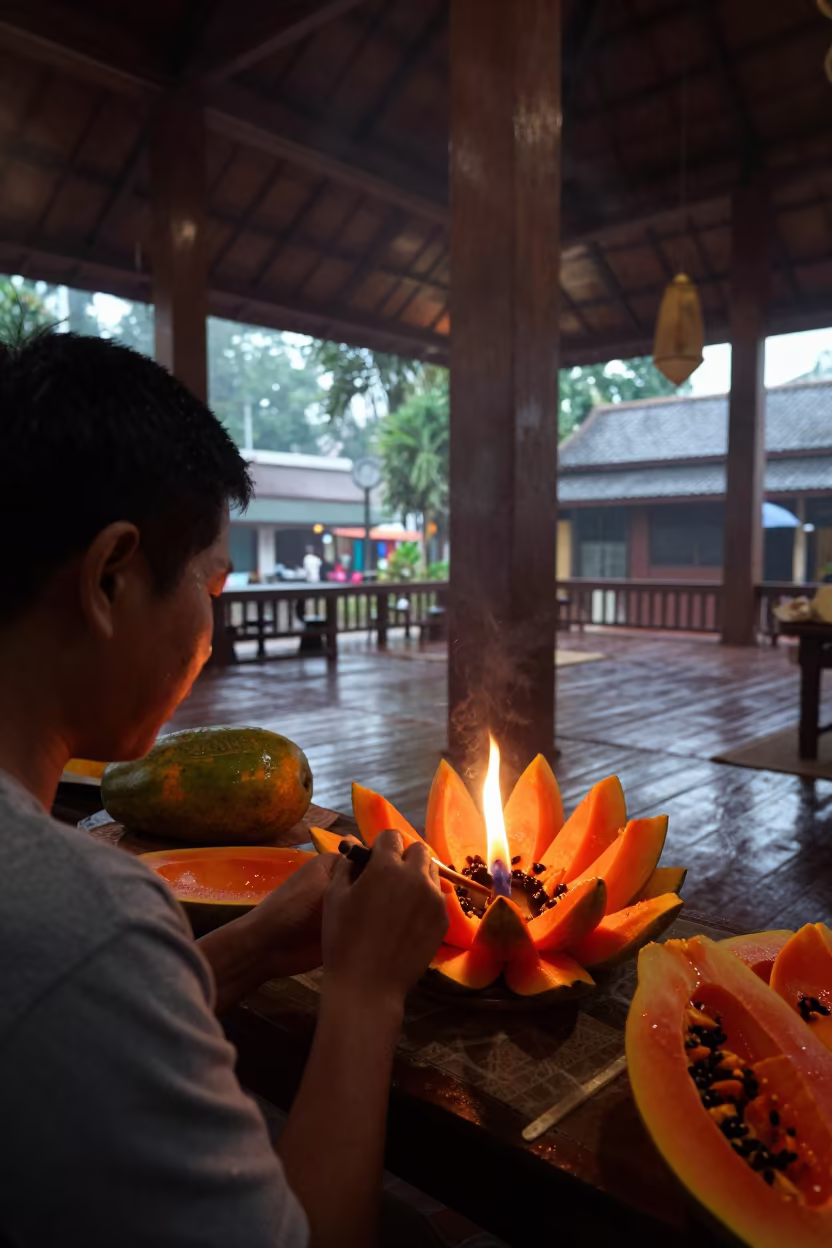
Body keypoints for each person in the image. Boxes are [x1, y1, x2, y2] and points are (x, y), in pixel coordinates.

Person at [0, 332, 448, 1248]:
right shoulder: (86, 913)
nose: (209, 632)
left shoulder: (80, 942)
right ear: (111, 578)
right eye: (212, 584)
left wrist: (246, 949)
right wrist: (364, 994)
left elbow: (76, 1028)